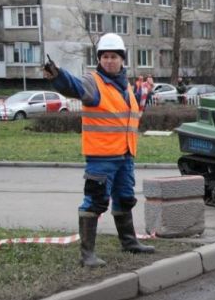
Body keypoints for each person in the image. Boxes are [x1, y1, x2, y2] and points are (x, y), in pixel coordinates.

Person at [43, 33, 154, 268]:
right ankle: (87, 255)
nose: (109, 61)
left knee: (125, 198)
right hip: (101, 157)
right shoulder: (93, 82)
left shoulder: (124, 87)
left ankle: (129, 242)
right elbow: (73, 86)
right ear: (99, 59)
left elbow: (130, 115)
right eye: (105, 57)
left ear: (122, 59)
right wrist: (58, 75)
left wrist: (145, 92)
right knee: (94, 201)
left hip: (125, 156)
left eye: (114, 56)